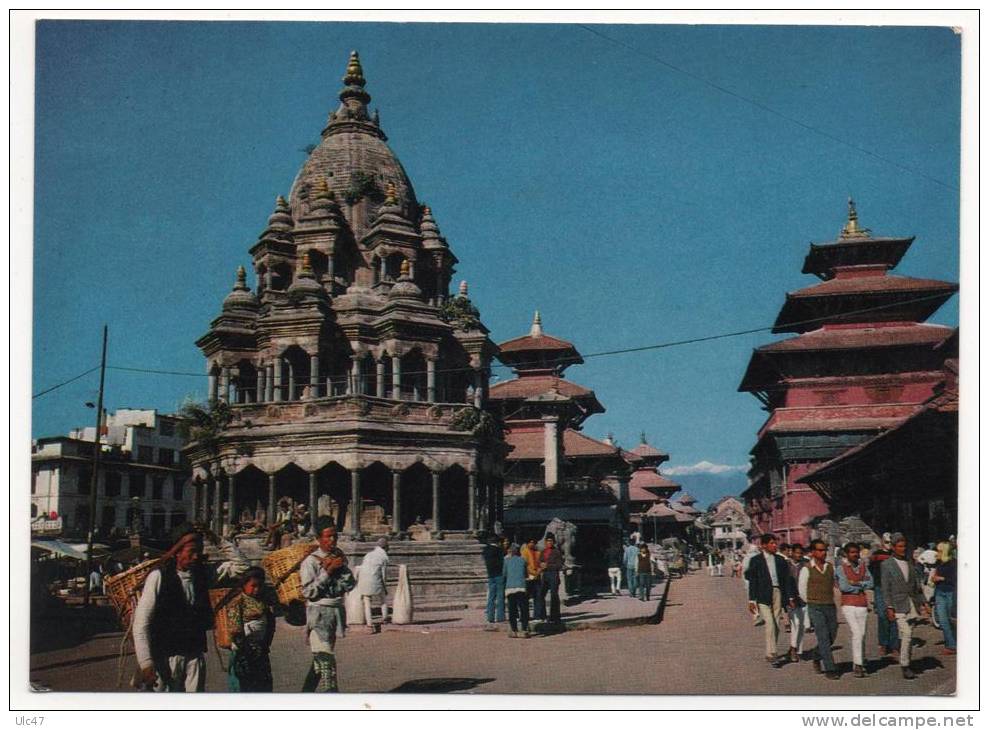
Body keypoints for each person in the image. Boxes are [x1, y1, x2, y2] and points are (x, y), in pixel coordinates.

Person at [132, 525, 213, 692]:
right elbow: (141, 623)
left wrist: (215, 538)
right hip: (165, 658)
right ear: (177, 552)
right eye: (191, 551)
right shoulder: (159, 576)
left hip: (194, 657)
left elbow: (241, 566)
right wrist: (146, 663)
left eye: (199, 551)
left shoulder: (202, 575)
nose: (196, 556)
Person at [300, 519, 355, 692]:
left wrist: (342, 569)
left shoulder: (339, 557)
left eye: (335, 536)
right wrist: (327, 572)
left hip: (335, 614)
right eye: (328, 536)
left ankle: (304, 696)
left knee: (320, 660)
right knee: (326, 662)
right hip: (318, 614)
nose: (332, 540)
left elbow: (350, 585)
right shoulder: (310, 562)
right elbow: (308, 592)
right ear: (318, 538)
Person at [882, 533, 930, 679]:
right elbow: (886, 588)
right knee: (907, 634)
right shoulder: (887, 565)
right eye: (899, 546)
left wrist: (924, 603)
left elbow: (916, 586)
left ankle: (907, 661)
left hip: (912, 604)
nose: (902, 549)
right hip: (897, 605)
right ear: (893, 547)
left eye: (904, 546)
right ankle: (905, 665)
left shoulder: (910, 563)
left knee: (908, 634)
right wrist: (889, 607)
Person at [745, 533, 796, 664]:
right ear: (763, 545)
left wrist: (790, 596)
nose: (775, 546)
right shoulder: (756, 560)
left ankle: (770, 652)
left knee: (776, 623)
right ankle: (772, 653)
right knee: (769, 622)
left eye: (775, 543)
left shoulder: (780, 560)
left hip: (777, 592)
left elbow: (786, 580)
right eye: (772, 543)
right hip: (762, 594)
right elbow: (753, 580)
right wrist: (751, 600)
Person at [227, 566, 276, 692]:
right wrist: (245, 650)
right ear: (244, 585)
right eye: (253, 586)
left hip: (260, 650)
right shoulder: (238, 602)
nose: (257, 589)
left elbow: (270, 623)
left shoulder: (263, 601)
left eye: (259, 585)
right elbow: (235, 629)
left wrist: (265, 644)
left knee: (263, 688)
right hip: (244, 653)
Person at [800, 539, 840, 680]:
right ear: (812, 552)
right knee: (823, 636)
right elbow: (802, 589)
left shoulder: (830, 567)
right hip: (815, 607)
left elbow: (834, 584)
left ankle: (817, 654)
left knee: (832, 635)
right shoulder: (806, 568)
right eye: (820, 550)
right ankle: (830, 668)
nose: (823, 553)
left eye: (824, 550)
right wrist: (811, 602)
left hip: (830, 605)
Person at [837, 542, 874, 678]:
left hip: (862, 604)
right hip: (848, 604)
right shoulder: (841, 568)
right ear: (846, 554)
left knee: (862, 634)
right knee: (857, 633)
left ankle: (860, 661)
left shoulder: (863, 566)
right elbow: (844, 587)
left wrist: (857, 583)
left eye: (856, 552)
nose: (855, 554)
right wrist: (861, 585)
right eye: (852, 552)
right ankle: (858, 665)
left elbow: (871, 583)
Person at [869, 537, 900, 658]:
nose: (889, 545)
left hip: (894, 588)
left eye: (891, 543)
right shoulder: (876, 555)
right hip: (879, 587)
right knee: (882, 615)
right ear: (882, 542)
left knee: (893, 616)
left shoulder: (896, 555)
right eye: (887, 542)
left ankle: (894, 645)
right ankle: (883, 643)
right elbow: (871, 569)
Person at [356, 537, 390, 633]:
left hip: (363, 580)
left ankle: (369, 623)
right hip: (375, 580)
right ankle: (385, 618)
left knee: (367, 601)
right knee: (383, 598)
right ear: (386, 547)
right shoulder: (383, 557)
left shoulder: (368, 554)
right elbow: (383, 574)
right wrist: (384, 585)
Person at [785, 543, 809, 663]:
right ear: (792, 553)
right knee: (796, 624)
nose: (798, 555)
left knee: (803, 626)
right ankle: (794, 649)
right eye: (796, 553)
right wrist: (789, 597)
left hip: (804, 598)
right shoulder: (786, 565)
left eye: (801, 553)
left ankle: (796, 649)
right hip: (791, 599)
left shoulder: (805, 565)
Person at [931, 549, 956, 655]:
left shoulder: (954, 563)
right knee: (942, 619)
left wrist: (942, 578)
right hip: (939, 592)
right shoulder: (938, 563)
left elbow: (956, 580)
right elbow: (935, 576)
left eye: (940, 551)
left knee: (951, 619)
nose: (937, 553)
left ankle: (956, 641)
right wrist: (934, 579)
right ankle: (951, 645)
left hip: (951, 592)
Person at [503, 543, 530, 638]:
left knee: (512, 609)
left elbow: (504, 574)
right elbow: (526, 574)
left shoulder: (506, 561)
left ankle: (514, 630)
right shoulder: (523, 560)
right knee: (523, 608)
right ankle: (524, 629)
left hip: (510, 587)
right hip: (521, 587)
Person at [481, 533, 506, 629]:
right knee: (500, 596)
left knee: (491, 596)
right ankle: (500, 616)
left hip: (490, 574)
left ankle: (490, 616)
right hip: (499, 574)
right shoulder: (499, 550)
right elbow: (502, 563)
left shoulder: (485, 550)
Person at [539, 534, 564, 625]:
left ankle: (555, 616)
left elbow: (559, 565)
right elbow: (540, 561)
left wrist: (548, 566)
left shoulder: (556, 552)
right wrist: (541, 565)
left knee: (554, 596)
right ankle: (543, 615)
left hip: (553, 574)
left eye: (551, 541)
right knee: (541, 595)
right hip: (545, 575)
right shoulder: (543, 552)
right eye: (548, 541)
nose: (549, 543)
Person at [741, 544, 765, 626]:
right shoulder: (759, 557)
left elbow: (744, 570)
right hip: (759, 581)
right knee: (760, 598)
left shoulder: (746, 558)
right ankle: (762, 614)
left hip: (749, 581)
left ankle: (756, 615)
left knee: (752, 598)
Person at [521, 537, 542, 618]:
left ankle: (537, 615)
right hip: (528, 577)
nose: (532, 544)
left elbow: (540, 563)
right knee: (526, 598)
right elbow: (525, 565)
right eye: (530, 542)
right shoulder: (524, 552)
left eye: (533, 542)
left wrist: (539, 571)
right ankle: (525, 616)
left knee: (538, 596)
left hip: (537, 577)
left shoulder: (538, 553)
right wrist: (534, 572)